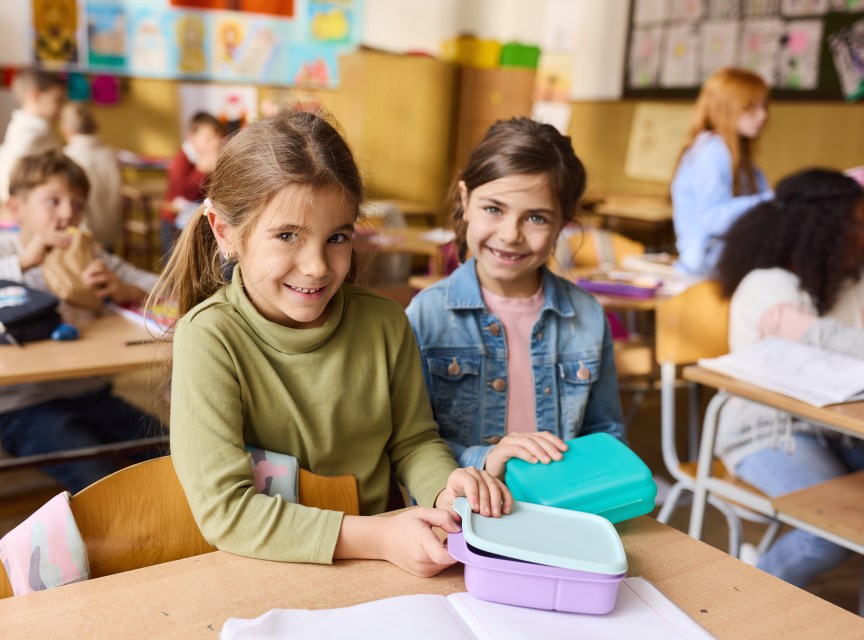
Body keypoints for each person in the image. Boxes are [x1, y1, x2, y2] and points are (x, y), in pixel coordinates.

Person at [151, 110, 509, 577]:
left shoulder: (383, 323)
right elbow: (226, 512)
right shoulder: (209, 337)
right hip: (268, 571)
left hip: (383, 569)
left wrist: (445, 491)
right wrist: (379, 536)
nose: (318, 266)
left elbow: (414, 441)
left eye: (337, 237)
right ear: (225, 233)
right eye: (286, 236)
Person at [0, 150, 162, 494]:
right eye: (53, 201)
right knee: (99, 481)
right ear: (15, 209)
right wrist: (22, 263)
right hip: (27, 410)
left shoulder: (90, 254)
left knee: (172, 452)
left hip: (96, 395)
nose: (68, 213)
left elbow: (164, 286)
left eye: (78, 205)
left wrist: (125, 288)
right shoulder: (1, 255)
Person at [405, 118, 626, 480]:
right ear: (465, 200)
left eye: (536, 218)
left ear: (562, 224)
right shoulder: (427, 316)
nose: (510, 235)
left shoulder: (586, 316)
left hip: (561, 512)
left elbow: (606, 435)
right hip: (462, 517)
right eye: (494, 209)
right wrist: (487, 460)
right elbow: (409, 447)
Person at [713, 168, 864, 587]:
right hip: (767, 431)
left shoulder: (852, 281)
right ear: (824, 231)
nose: (861, 234)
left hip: (842, 430)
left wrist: (815, 333)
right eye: (856, 224)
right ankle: (751, 596)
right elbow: (830, 351)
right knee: (828, 536)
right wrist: (823, 337)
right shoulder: (768, 286)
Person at [671, 67, 774, 276]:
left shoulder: (742, 158)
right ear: (725, 107)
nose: (762, 115)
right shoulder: (712, 151)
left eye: (764, 106)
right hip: (703, 273)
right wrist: (772, 199)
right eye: (751, 107)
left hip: (726, 268)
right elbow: (713, 217)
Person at [0, 68, 66, 203]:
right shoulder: (34, 134)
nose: (62, 107)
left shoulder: (21, 128)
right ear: (35, 95)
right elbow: (10, 179)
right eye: (58, 99)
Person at [159, 111, 227, 259]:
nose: (215, 143)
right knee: (175, 263)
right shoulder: (182, 158)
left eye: (217, 137)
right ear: (192, 137)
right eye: (208, 139)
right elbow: (182, 192)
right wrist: (201, 171)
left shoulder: (211, 158)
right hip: (174, 222)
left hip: (197, 221)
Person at [61, 101, 123, 251]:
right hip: (110, 232)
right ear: (96, 126)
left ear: (67, 130)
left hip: (83, 235)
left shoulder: (68, 157)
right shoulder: (110, 153)